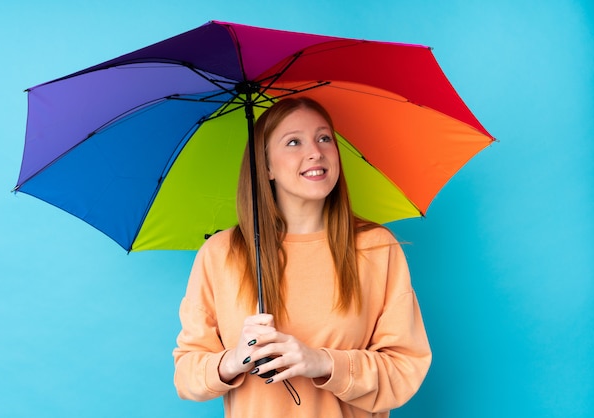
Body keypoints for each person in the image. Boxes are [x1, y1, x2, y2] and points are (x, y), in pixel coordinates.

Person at [173, 97, 431, 418]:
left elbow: (405, 369)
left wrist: (322, 363)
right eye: (293, 142)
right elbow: (187, 375)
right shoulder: (221, 253)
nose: (315, 152)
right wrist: (235, 358)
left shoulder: (376, 247)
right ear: (265, 166)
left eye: (324, 138)